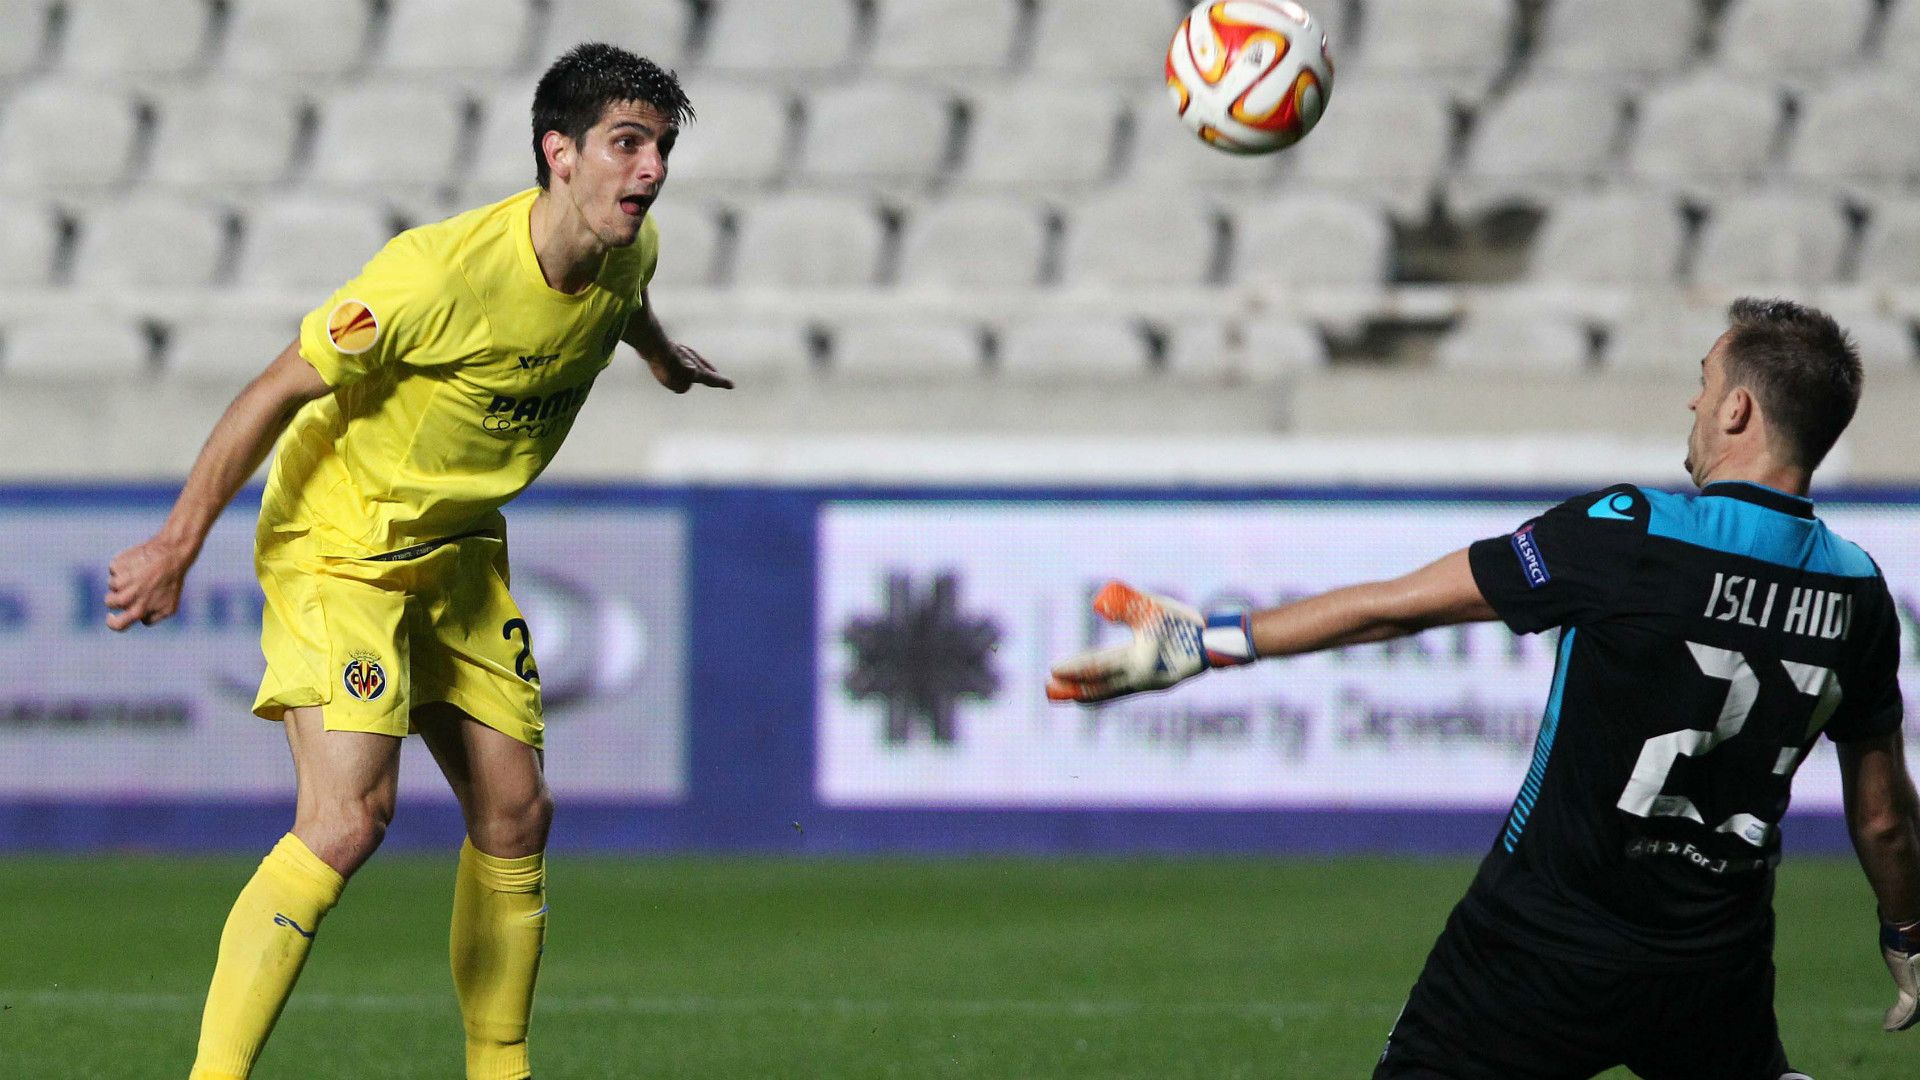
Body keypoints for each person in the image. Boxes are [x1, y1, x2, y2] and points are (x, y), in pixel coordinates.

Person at [1048, 297, 1920, 1080]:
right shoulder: (1861, 592)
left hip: (1542, 942)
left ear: (1738, 408)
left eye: (1703, 384)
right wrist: (1905, 929)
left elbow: (1396, 609)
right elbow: (1883, 816)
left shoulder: (1632, 532)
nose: (1692, 405)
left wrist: (1212, 641)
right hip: (1710, 958)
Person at [102, 43, 727, 1080]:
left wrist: (659, 356)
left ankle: (498, 1068)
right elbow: (272, 390)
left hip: (460, 554)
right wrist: (177, 542)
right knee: (349, 820)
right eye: (626, 145)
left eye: (659, 147)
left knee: (518, 812)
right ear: (557, 153)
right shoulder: (433, 276)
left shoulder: (632, 252)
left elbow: (625, 302)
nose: (650, 169)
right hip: (340, 548)